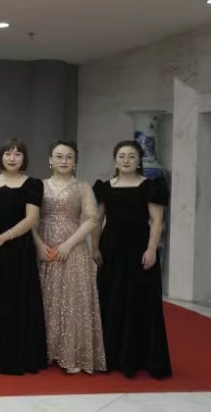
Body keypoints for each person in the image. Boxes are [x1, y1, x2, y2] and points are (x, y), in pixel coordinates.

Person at [92, 140, 171, 379]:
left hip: (139, 249)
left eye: (131, 156)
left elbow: (156, 221)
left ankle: (140, 357)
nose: (126, 160)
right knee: (111, 299)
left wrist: (152, 249)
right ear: (115, 160)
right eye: (122, 156)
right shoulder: (104, 187)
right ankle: (110, 355)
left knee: (139, 300)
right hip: (111, 249)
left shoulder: (151, 187)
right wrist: (94, 247)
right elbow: (98, 219)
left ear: (139, 161)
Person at [33, 140, 105, 374]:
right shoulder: (39, 186)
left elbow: (92, 219)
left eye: (69, 157)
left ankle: (71, 353)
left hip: (73, 248)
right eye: (59, 156)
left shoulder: (83, 187)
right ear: (50, 160)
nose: (64, 161)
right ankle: (45, 351)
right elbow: (30, 219)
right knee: (45, 297)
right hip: (44, 246)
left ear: (75, 162)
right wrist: (39, 244)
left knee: (72, 300)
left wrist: (68, 244)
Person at [0, 138, 48, 375]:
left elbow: (31, 219)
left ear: (24, 159)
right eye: (8, 153)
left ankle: (17, 357)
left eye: (17, 154)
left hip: (19, 251)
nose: (12, 158)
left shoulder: (33, 184)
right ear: (1, 156)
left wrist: (2, 238)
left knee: (17, 303)